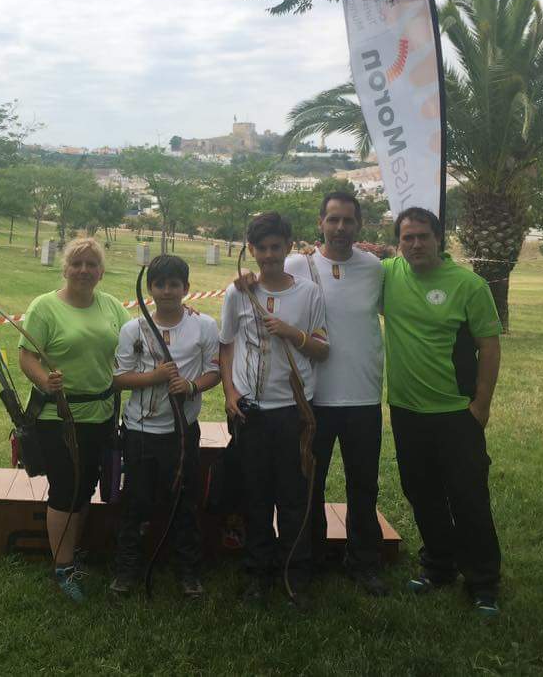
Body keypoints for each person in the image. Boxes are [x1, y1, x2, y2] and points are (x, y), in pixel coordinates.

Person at [382, 207, 504, 617]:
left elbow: (489, 345)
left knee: (468, 497)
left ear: (439, 239)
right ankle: (438, 566)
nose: (415, 244)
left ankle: (483, 581)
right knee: (421, 493)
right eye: (407, 238)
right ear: (398, 243)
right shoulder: (388, 275)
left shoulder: (468, 285)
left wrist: (481, 404)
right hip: (405, 410)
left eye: (423, 236)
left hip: (456, 412)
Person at [219, 212, 329, 608]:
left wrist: (290, 332)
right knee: (256, 496)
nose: (269, 255)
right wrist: (230, 393)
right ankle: (257, 574)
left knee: (294, 497)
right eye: (261, 248)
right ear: (251, 250)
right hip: (251, 412)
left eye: (276, 247)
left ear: (287, 246)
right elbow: (227, 343)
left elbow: (322, 348)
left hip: (293, 413)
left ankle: (294, 576)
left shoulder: (309, 293)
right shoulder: (238, 293)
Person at [282, 191, 387, 596]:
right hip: (314, 398)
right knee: (311, 483)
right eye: (333, 220)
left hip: (363, 398)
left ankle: (364, 562)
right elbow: (263, 287)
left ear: (360, 225)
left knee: (364, 485)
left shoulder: (375, 269)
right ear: (320, 223)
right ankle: (312, 558)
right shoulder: (298, 265)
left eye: (348, 221)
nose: (340, 228)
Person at [18, 237, 131, 603]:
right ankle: (63, 566)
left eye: (91, 264)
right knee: (67, 488)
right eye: (77, 264)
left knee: (86, 487)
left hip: (101, 414)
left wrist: (184, 312)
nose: (84, 270)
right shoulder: (45, 307)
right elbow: (27, 357)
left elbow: (139, 337)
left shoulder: (112, 306)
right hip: (58, 416)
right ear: (65, 268)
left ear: (101, 271)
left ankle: (72, 551)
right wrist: (44, 382)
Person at [111, 255, 221, 599]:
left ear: (186, 288)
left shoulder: (204, 325)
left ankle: (188, 572)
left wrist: (190, 387)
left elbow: (214, 371)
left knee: (184, 502)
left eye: (175, 284)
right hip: (140, 432)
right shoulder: (133, 328)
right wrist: (154, 377)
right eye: (160, 284)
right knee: (136, 502)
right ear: (150, 289)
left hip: (182, 432)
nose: (167, 291)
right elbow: (119, 379)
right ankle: (127, 571)